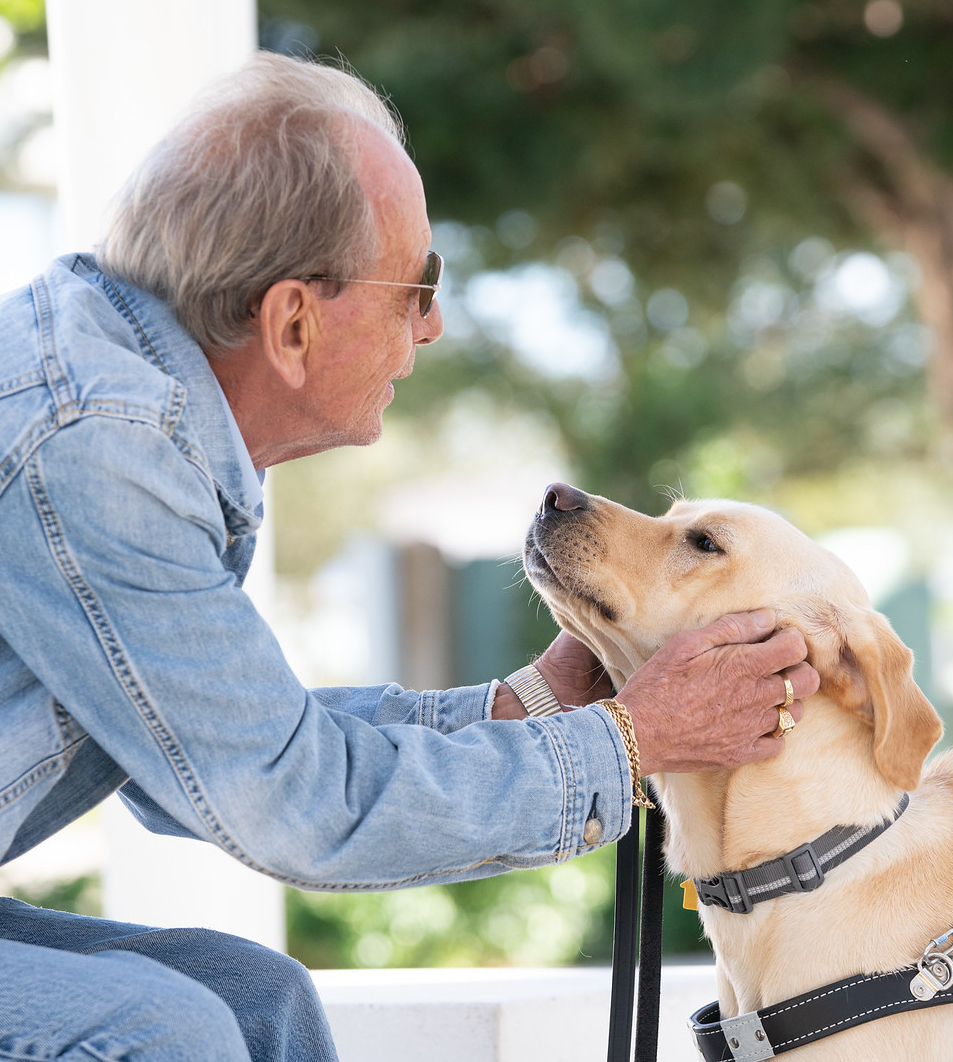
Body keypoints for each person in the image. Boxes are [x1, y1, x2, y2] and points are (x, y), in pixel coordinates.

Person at [0, 50, 817, 1061]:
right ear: (292, 320)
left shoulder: (123, 405)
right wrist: (634, 741)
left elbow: (218, 755)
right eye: (415, 285)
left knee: (259, 1001)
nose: (431, 327)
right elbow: (293, 806)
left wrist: (531, 706)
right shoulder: (102, 445)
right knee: (161, 1033)